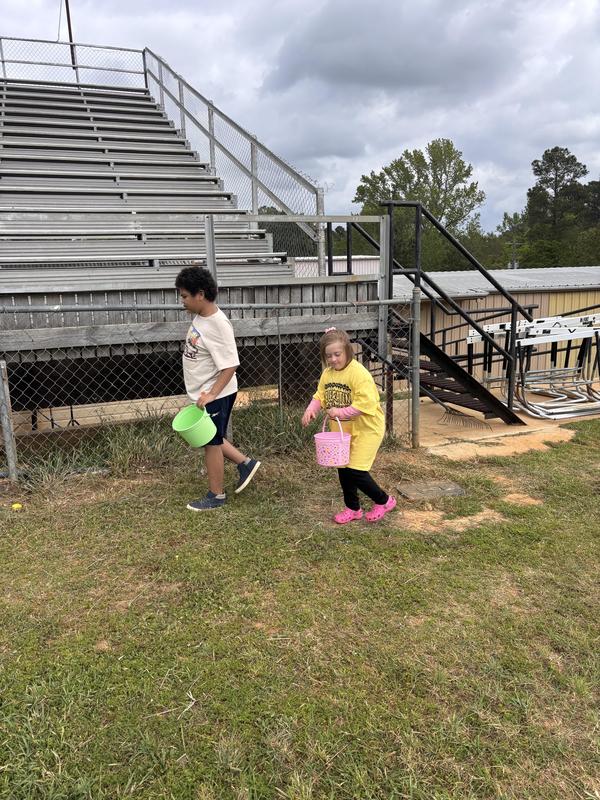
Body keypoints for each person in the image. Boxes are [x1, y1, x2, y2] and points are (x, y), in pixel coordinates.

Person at [175, 266, 260, 511]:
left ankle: (216, 495)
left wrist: (212, 393)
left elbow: (230, 364)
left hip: (217, 393)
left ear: (200, 294)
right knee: (211, 436)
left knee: (211, 442)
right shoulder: (201, 317)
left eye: (184, 296)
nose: (182, 301)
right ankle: (245, 464)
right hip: (204, 393)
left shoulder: (218, 324)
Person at [301, 327, 396, 524]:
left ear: (347, 351)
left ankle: (384, 500)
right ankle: (353, 508)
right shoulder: (328, 374)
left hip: (366, 428)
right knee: (343, 468)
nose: (333, 359)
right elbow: (320, 395)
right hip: (343, 431)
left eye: (337, 354)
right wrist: (312, 408)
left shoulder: (358, 374)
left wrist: (339, 412)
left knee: (356, 470)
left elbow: (365, 404)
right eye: (329, 356)